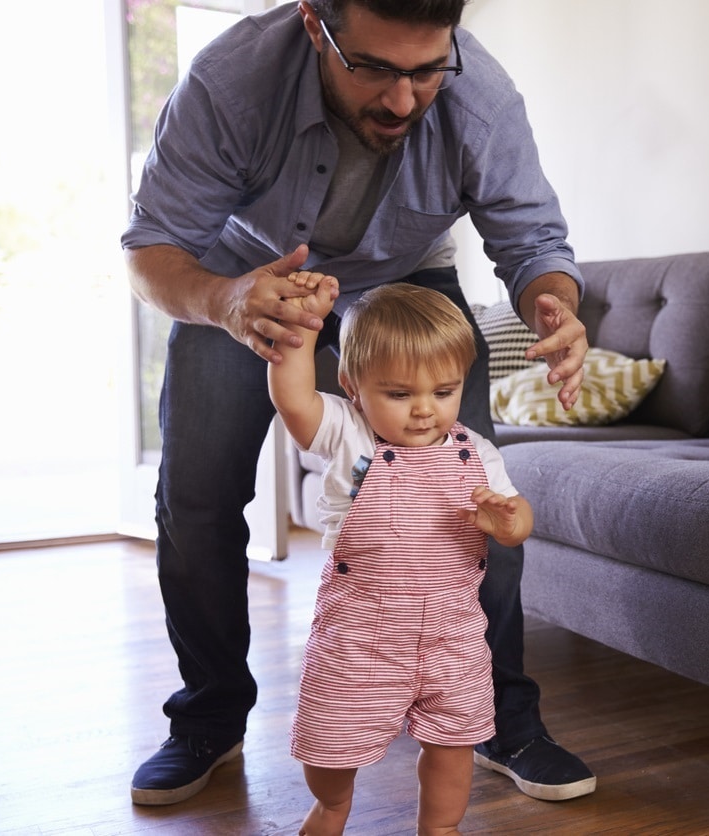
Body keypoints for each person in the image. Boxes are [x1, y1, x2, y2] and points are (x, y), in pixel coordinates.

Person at [122, 0, 594, 807]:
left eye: (426, 71)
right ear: (316, 25)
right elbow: (152, 249)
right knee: (194, 497)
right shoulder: (232, 82)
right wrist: (228, 300)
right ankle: (208, 718)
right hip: (241, 274)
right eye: (375, 68)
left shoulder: (480, 95)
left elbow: (535, 242)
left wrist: (553, 302)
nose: (405, 99)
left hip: (409, 276)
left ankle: (501, 719)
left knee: (474, 495)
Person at [270, 276, 531, 835]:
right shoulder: (346, 432)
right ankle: (332, 805)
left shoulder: (476, 452)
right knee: (329, 748)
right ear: (352, 384)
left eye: (444, 391)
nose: (423, 411)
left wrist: (509, 521)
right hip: (361, 633)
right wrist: (299, 328)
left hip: (452, 634)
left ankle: (440, 827)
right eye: (399, 393)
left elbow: (517, 518)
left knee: (453, 742)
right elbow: (292, 397)